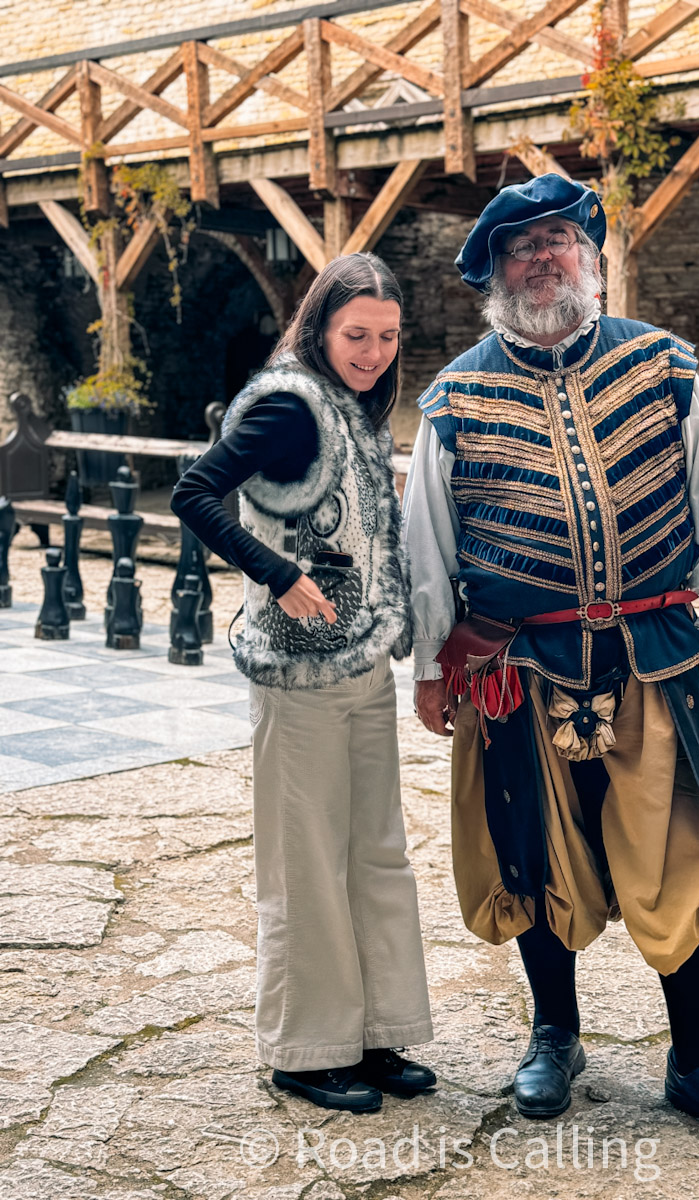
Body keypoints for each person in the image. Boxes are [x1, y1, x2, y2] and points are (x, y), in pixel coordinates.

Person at [402, 175, 699, 1155]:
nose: (542, 257)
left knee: (681, 853)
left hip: (652, 658)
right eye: (518, 247)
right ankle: (554, 1036)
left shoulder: (662, 366)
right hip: (515, 672)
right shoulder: (455, 397)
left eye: (560, 239)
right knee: (531, 856)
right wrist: (432, 661)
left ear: (590, 256)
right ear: (491, 275)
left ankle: (694, 1059)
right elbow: (426, 539)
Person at [172, 252, 434, 1113]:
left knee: (375, 854)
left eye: (388, 337)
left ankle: (375, 1032)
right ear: (319, 327)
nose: (373, 352)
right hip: (295, 668)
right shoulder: (287, 404)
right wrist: (275, 573)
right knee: (307, 862)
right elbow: (196, 491)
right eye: (356, 335)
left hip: (361, 663)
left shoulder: (354, 407)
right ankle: (305, 1048)